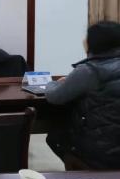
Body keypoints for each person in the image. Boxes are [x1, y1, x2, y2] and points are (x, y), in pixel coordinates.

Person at [45, 21, 120, 169]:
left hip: (99, 152)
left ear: (91, 43)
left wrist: (51, 83)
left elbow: (54, 96)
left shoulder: (89, 71)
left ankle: (78, 170)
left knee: (56, 135)